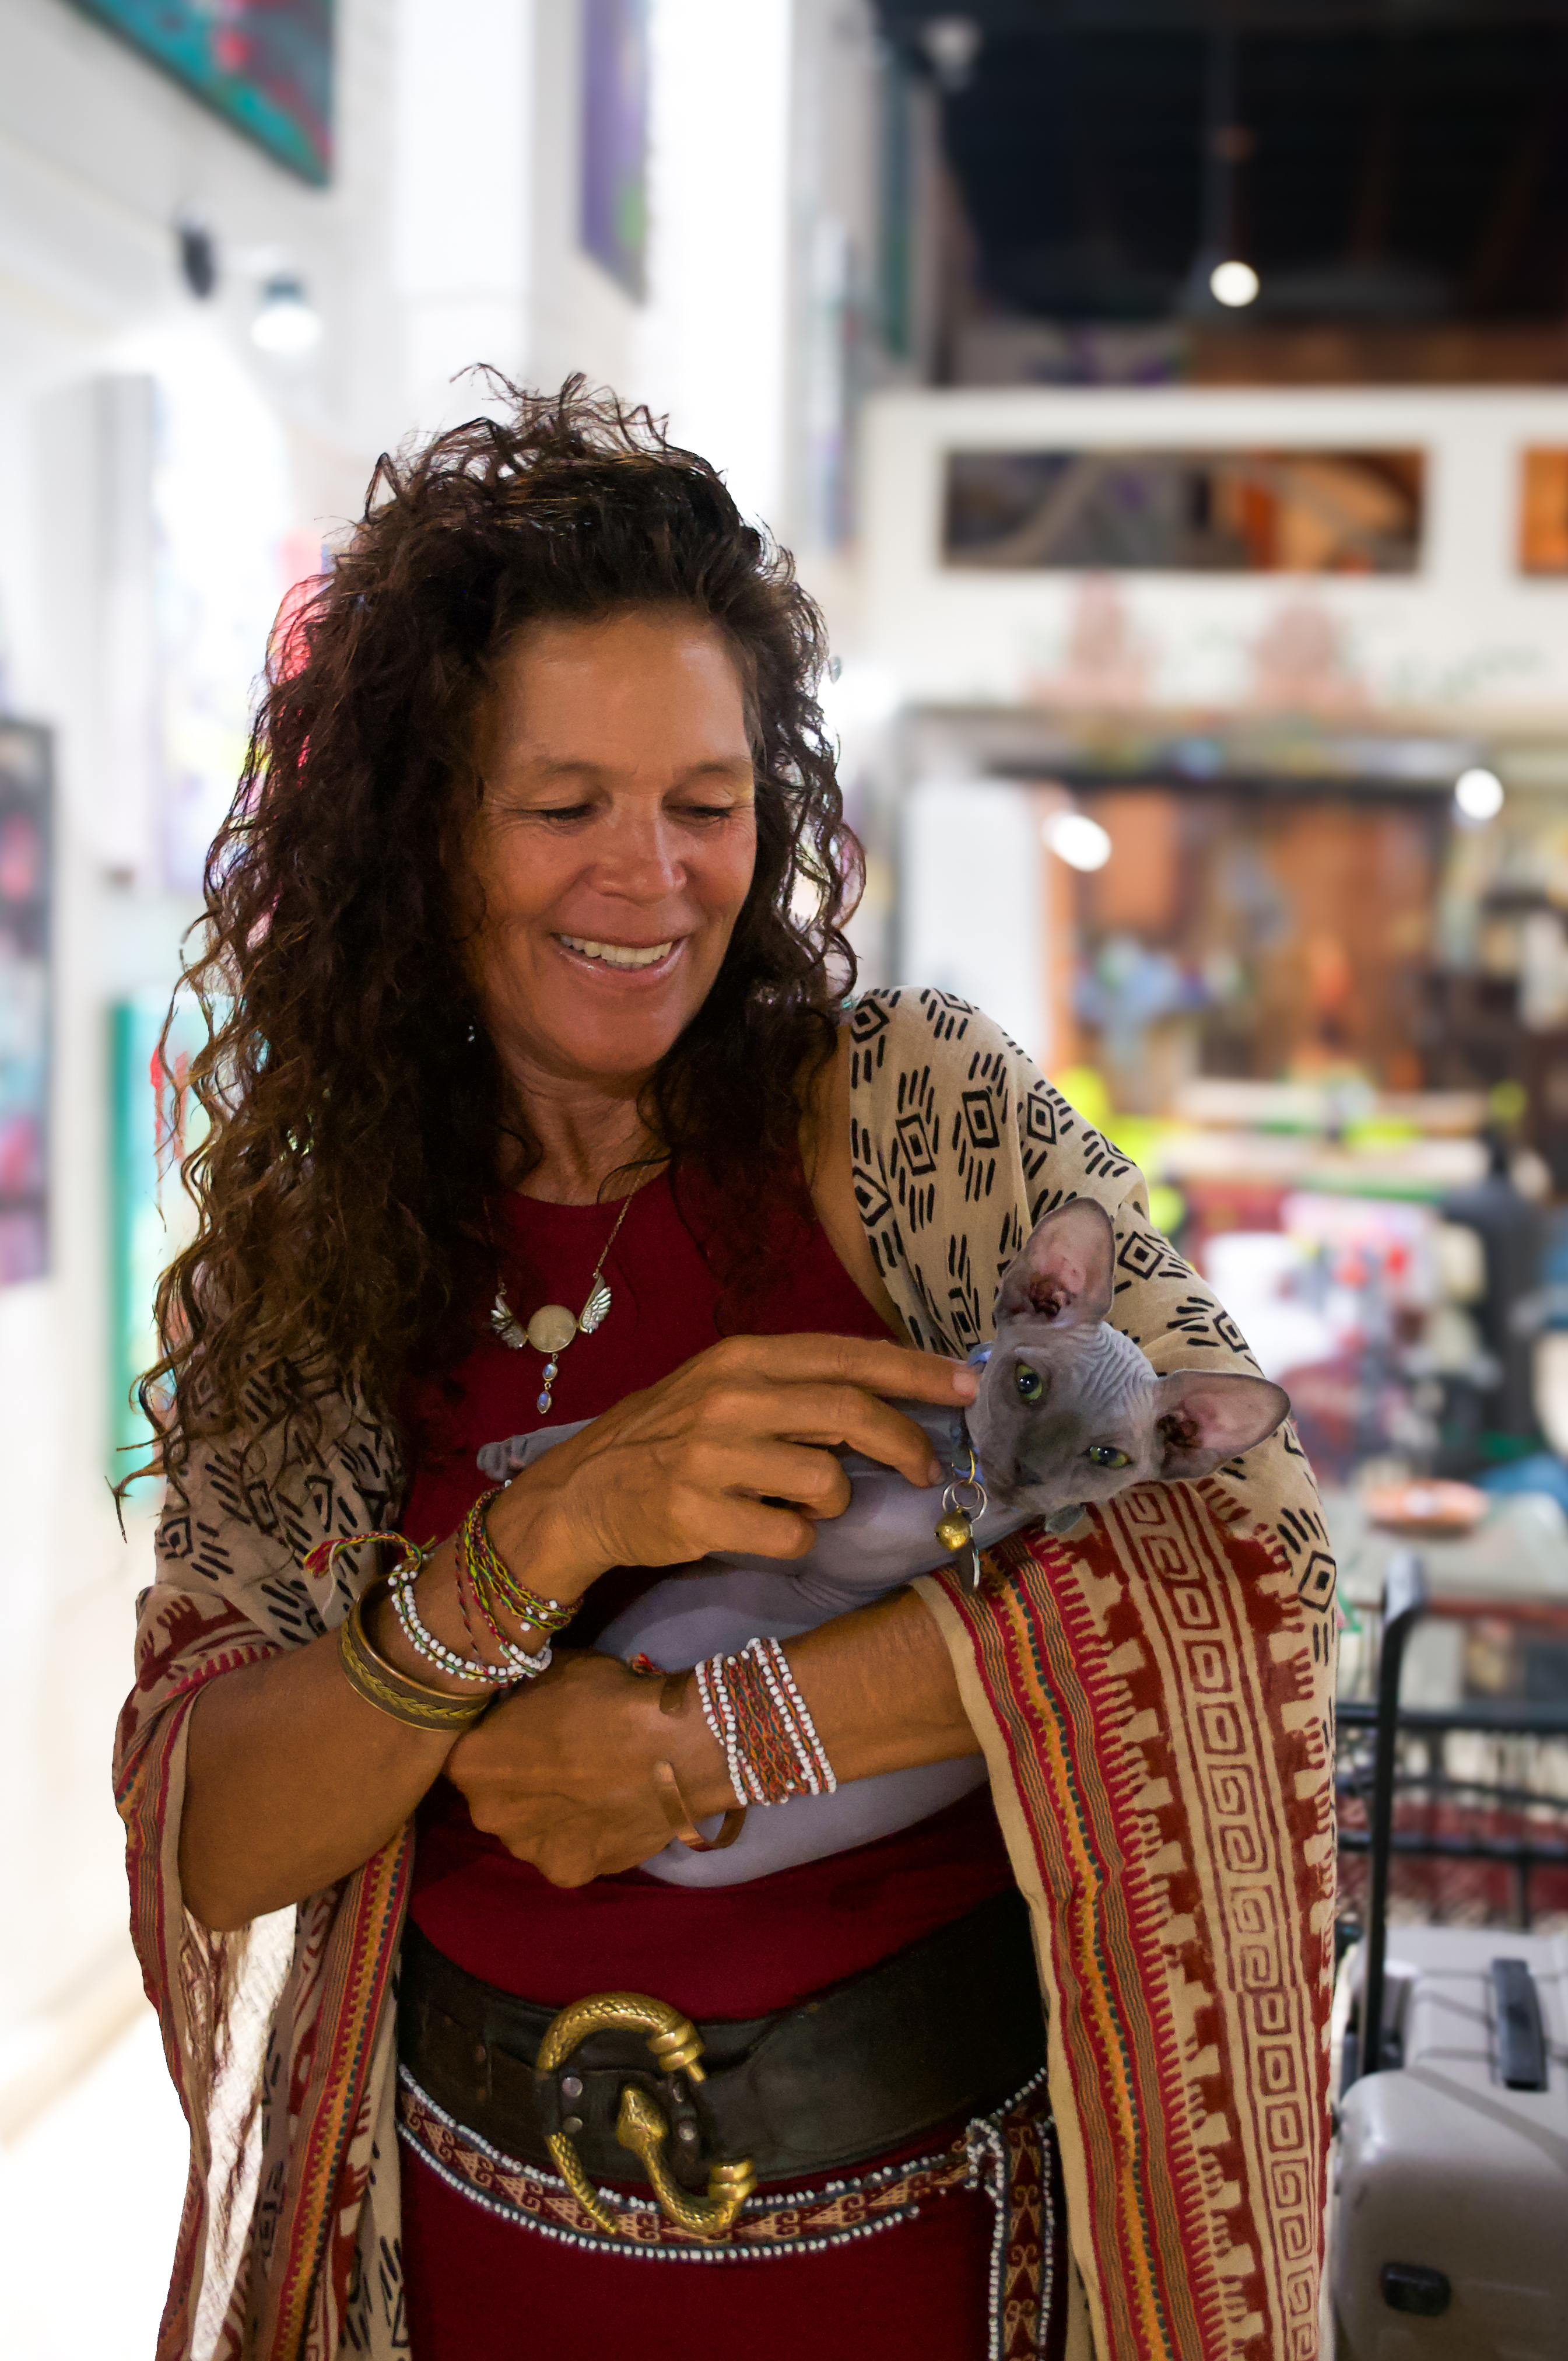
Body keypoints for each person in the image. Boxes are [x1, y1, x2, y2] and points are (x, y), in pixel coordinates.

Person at [115, 383, 1337, 2361]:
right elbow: (215, 1833)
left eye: (705, 801)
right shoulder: (308, 1259)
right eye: (562, 806)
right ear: (424, 831)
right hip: (446, 2253)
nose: (653, 875)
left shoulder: (913, 1110)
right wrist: (545, 1538)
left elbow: (1250, 1560)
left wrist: (713, 1744)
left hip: (923, 2258)